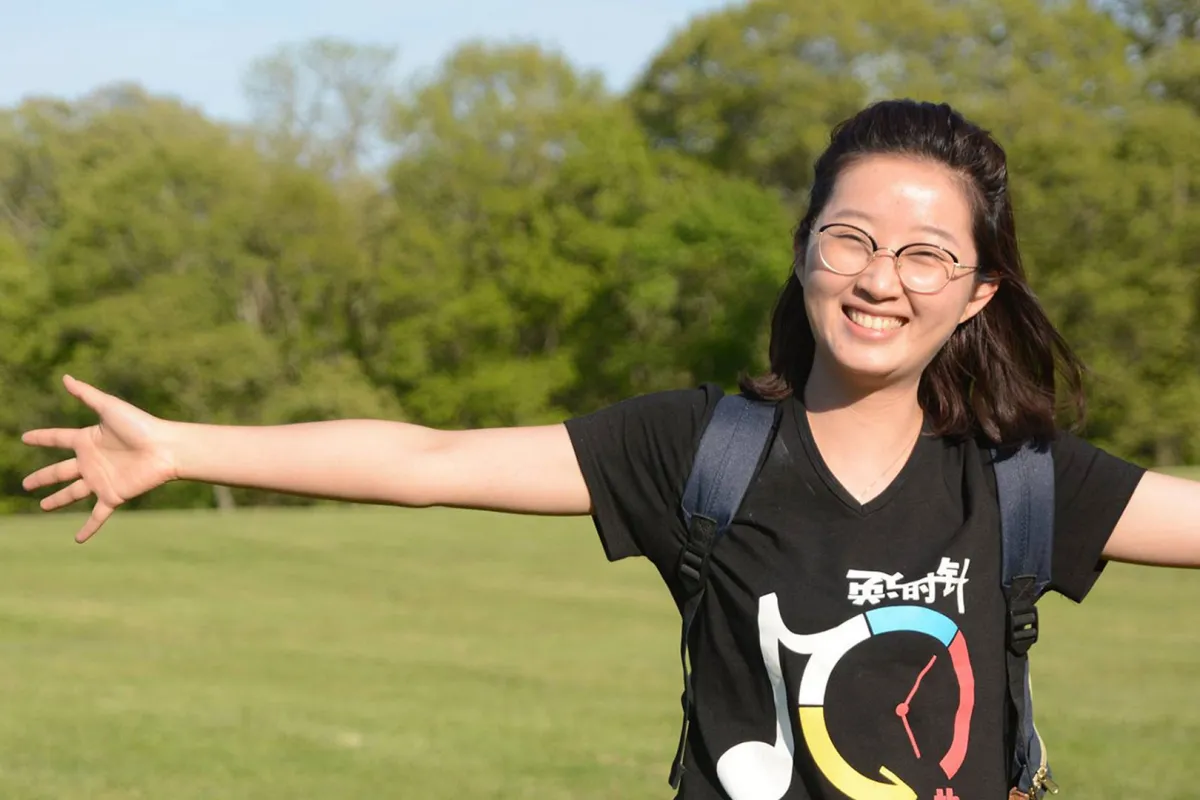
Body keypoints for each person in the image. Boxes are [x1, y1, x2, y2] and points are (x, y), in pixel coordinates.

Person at [20, 100, 1200, 800]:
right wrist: (178, 443)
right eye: (852, 237)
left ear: (980, 291)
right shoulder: (700, 447)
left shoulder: (1027, 480)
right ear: (803, 252)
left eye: (927, 254)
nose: (881, 278)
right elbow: (428, 461)